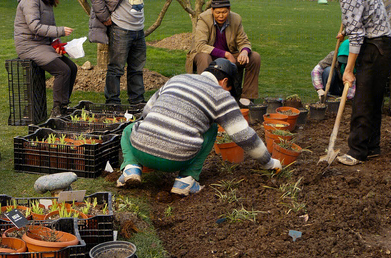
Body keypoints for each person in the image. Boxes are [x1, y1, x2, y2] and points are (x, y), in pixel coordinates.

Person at [116, 58, 281, 196]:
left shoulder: (176, 79)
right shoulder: (220, 95)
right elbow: (244, 136)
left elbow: (147, 112)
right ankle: (186, 181)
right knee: (211, 129)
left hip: (141, 150)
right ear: (224, 82)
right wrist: (268, 162)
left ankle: (131, 168)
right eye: (230, 89)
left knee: (129, 130)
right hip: (175, 161)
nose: (229, 92)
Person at [318, 0, 391, 165]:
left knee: (362, 101)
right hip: (384, 44)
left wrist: (349, 69)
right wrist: (348, 29)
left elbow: (358, 35)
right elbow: (361, 16)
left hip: (374, 47)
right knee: (373, 100)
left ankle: (357, 152)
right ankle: (372, 147)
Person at [89, 0, 152, 106]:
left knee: (137, 69)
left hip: (138, 28)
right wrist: (104, 17)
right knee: (116, 69)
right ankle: (112, 103)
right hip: (120, 28)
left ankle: (138, 103)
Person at [14, 0, 77, 118]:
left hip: (41, 45)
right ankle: (57, 110)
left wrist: (58, 45)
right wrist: (60, 31)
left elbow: (51, 25)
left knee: (72, 68)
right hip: (28, 45)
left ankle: (63, 106)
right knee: (62, 70)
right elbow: (35, 27)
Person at [187, 0, 261, 106]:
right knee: (204, 57)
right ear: (212, 10)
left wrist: (244, 51)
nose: (221, 15)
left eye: (224, 12)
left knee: (254, 57)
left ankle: (246, 98)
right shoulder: (203, 18)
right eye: (218, 12)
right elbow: (200, 45)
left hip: (229, 57)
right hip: (209, 56)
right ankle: (207, 97)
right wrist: (225, 54)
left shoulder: (236, 19)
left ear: (229, 10)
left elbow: (244, 41)